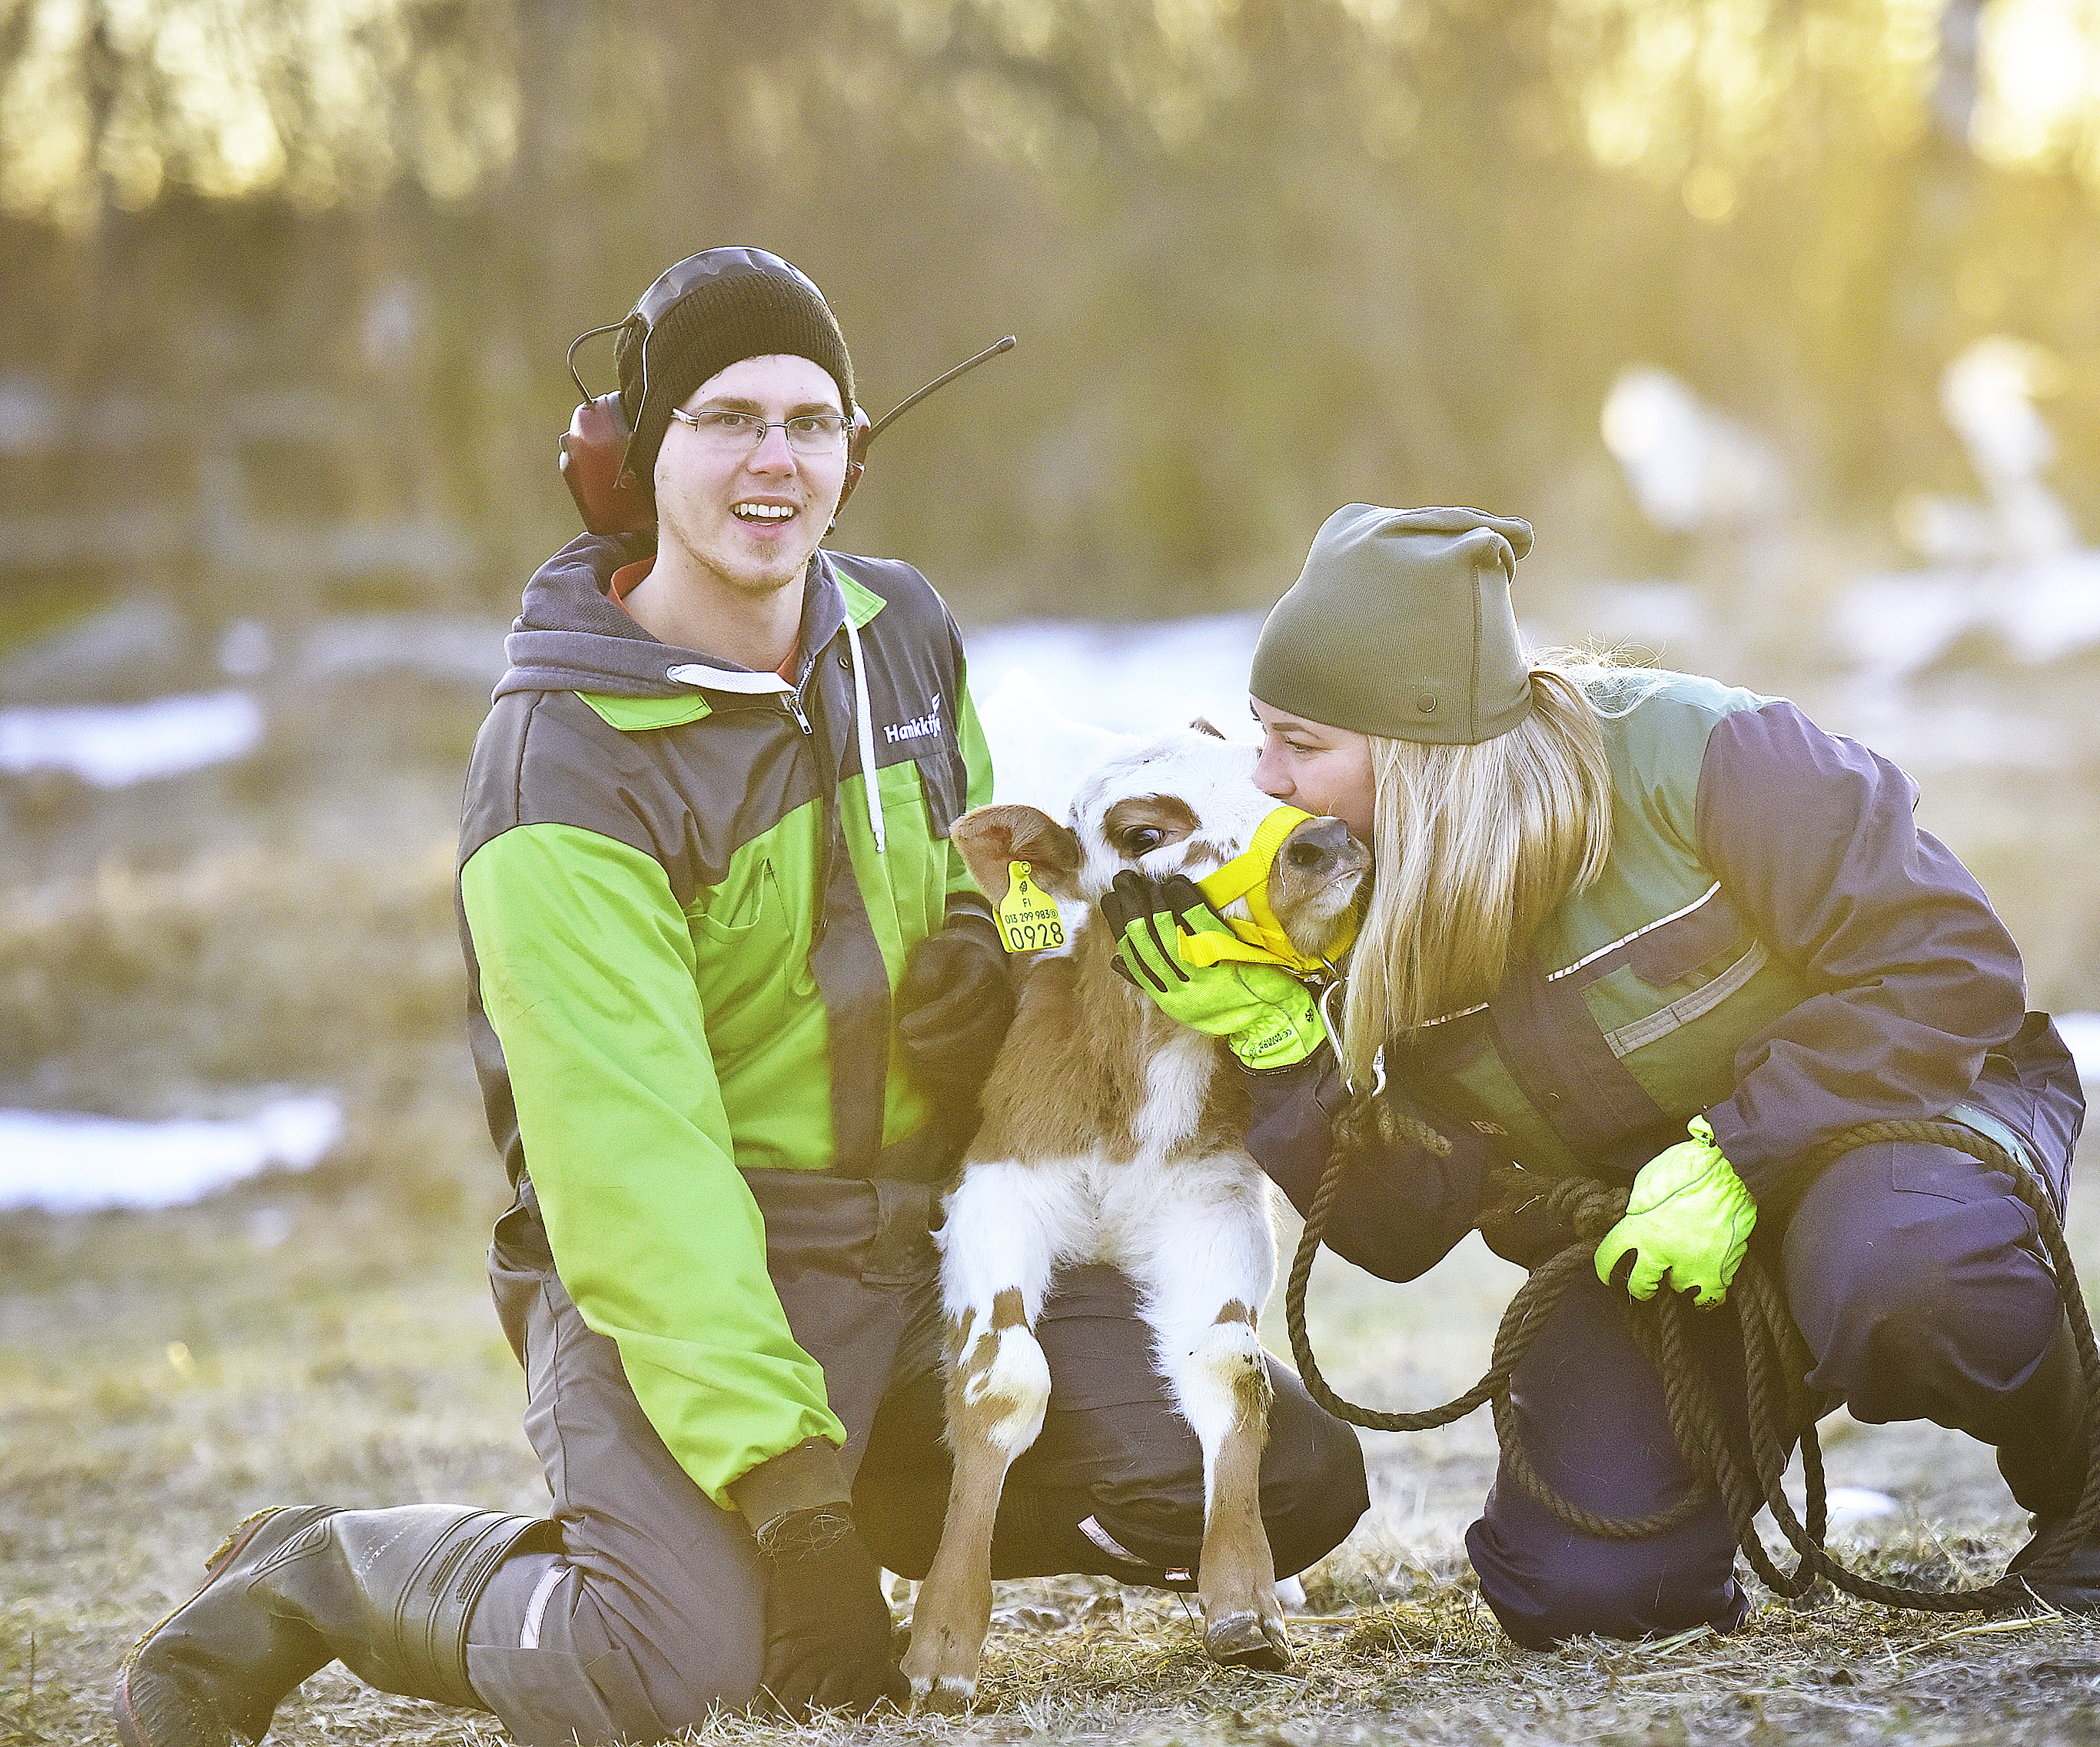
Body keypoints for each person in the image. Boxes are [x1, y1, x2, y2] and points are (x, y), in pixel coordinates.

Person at [111, 248, 1364, 1747]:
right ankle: (323, 1570)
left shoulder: (902, 632)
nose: (775, 459)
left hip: (925, 1257)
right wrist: (791, 1511)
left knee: (1286, 1475)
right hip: (687, 1280)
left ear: (853, 453)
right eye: (725, 418)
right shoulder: (561, 768)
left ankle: (851, 1502)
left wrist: (994, 950)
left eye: (812, 419)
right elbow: (631, 1177)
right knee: (669, 1677)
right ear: (643, 454)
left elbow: (985, 861)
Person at [1105, 502, 2100, 1649]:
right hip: (1649, 1233)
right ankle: (1707, 1463)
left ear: (1421, 742)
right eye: (1263, 735)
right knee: (1582, 1597)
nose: (1268, 778)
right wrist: (1278, 1053)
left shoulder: (1706, 754)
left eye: (1301, 744)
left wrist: (1735, 1157)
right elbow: (1402, 1229)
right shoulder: (1344, 905)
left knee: (1908, 1275)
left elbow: (1947, 966)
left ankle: (2094, 1476)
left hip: (1908, 1119)